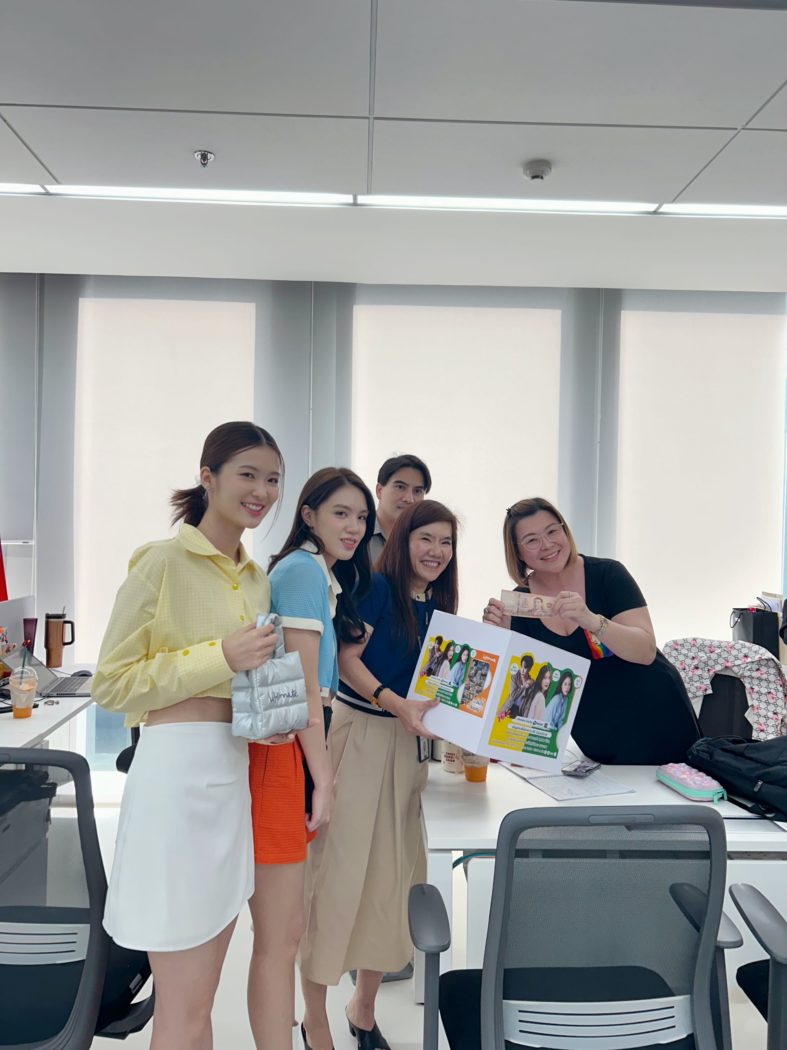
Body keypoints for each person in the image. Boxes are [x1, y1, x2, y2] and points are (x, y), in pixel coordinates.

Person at [92, 421, 293, 1050]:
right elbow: (111, 684)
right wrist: (220, 657)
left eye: (272, 480)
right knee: (181, 1008)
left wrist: (269, 714)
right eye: (247, 475)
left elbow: (244, 681)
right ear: (208, 478)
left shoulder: (256, 578)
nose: (261, 491)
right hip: (174, 783)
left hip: (232, 777)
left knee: (200, 1004)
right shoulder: (160, 563)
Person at [299, 500, 459, 1050]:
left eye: (446, 542)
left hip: (407, 749)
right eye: (426, 539)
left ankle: (362, 1008)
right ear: (402, 541)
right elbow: (346, 661)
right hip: (360, 737)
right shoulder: (377, 589)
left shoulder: (438, 607)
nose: (437, 551)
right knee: (335, 882)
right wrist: (394, 702)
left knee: (393, 885)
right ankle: (314, 1019)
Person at [247, 467, 375, 1049]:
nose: (354, 527)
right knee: (281, 931)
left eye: (361, 517)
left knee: (286, 927)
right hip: (287, 746)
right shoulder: (301, 572)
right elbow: (303, 691)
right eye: (341, 513)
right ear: (309, 514)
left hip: (294, 739)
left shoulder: (319, 574)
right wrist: (324, 779)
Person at [482, 497, 700, 765]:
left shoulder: (608, 574)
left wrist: (591, 620)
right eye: (531, 540)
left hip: (657, 716)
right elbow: (526, 689)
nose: (547, 545)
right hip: (597, 738)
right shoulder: (520, 604)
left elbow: (645, 652)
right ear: (517, 552)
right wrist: (502, 636)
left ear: (565, 531)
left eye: (552, 531)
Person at [368, 453, 432, 563]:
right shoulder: (357, 532)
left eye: (417, 491)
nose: (409, 499)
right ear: (379, 491)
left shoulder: (423, 541)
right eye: (400, 487)